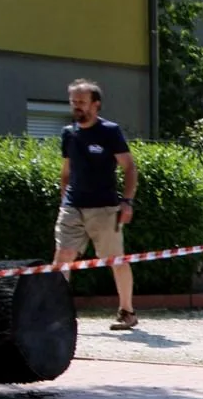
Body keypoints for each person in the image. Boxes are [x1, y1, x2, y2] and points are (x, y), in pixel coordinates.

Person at [55, 79, 140, 330]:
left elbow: (129, 167)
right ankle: (54, 313)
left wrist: (127, 202)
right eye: (73, 102)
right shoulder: (68, 133)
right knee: (63, 257)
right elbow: (66, 170)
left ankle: (127, 311)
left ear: (96, 104)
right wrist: (64, 199)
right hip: (72, 207)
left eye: (81, 102)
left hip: (104, 208)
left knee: (115, 259)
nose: (76, 106)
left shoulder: (110, 132)